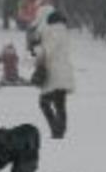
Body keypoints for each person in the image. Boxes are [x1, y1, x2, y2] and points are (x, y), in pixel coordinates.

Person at [32, 10, 75, 139]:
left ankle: (57, 130)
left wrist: (35, 49)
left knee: (44, 102)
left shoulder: (53, 32)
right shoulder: (64, 32)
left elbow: (47, 50)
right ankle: (59, 130)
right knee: (60, 103)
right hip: (64, 72)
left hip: (54, 74)